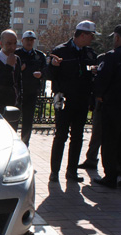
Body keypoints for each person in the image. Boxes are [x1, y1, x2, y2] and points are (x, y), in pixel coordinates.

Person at [48, 20, 98, 183]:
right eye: (91, 35)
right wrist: (54, 66)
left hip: (81, 101)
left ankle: (71, 171)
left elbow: (91, 76)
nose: (92, 39)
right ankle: (54, 172)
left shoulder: (90, 54)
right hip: (64, 101)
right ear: (82, 35)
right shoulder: (60, 51)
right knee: (60, 136)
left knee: (77, 137)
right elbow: (49, 75)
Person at [92, 24, 121, 188]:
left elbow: (102, 80)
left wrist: (99, 96)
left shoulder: (112, 56)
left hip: (112, 106)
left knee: (109, 141)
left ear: (117, 37)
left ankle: (110, 176)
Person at [15, 31, 47, 147]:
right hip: (18, 91)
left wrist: (41, 74)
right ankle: (13, 144)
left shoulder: (39, 55)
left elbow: (46, 71)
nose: (29, 42)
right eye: (27, 40)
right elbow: (9, 70)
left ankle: (25, 144)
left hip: (31, 91)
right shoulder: (16, 54)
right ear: (22, 41)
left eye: (32, 40)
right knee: (14, 119)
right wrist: (19, 69)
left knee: (28, 121)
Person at [0, 29, 22, 123]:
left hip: (13, 106)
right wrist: (9, 66)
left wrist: (19, 99)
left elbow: (18, 81)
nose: (12, 47)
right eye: (9, 43)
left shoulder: (17, 59)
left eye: (15, 43)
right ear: (1, 44)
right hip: (0, 107)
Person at [77, 53, 106, 170]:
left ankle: (114, 166)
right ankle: (91, 159)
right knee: (97, 131)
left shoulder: (110, 58)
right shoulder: (103, 57)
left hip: (111, 100)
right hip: (100, 100)